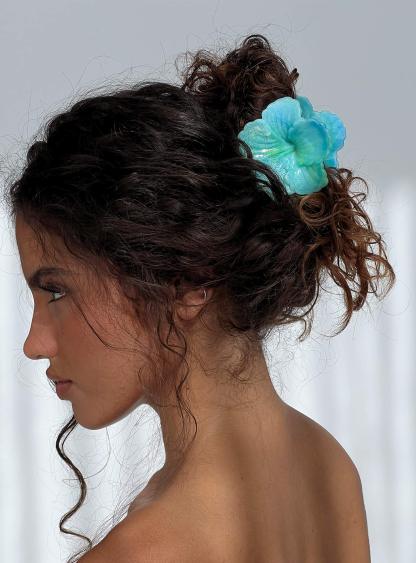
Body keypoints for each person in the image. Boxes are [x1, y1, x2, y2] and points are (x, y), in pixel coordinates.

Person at [8, 34, 395, 562]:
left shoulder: (145, 552)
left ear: (185, 282)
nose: (34, 344)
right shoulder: (329, 468)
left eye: (56, 290)